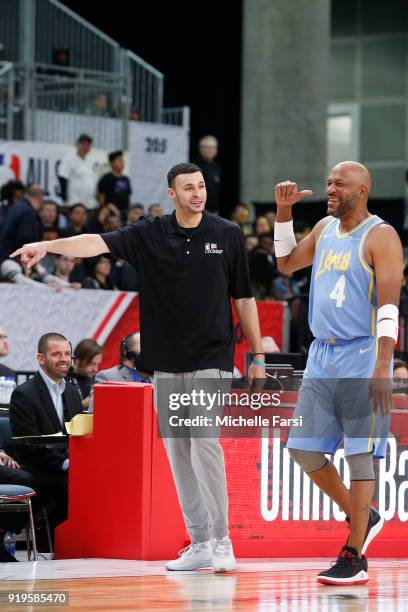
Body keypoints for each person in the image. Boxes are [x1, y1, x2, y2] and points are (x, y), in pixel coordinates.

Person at [11, 161, 266, 574]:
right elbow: (95, 242)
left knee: (203, 440)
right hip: (165, 363)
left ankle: (222, 539)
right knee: (178, 452)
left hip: (212, 358)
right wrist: (49, 246)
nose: (198, 193)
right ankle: (199, 540)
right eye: (189, 188)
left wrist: (257, 354)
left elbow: (244, 297)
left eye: (201, 185)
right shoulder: (150, 233)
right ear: (172, 194)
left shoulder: (227, 233)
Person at [274, 161, 403, 585]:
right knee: (304, 449)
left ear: (361, 191)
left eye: (339, 184)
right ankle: (362, 515)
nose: (330, 188)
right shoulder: (325, 228)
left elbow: (388, 307)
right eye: (328, 181)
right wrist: (283, 214)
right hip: (321, 354)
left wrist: (383, 363)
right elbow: (287, 265)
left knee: (359, 454)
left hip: (363, 353)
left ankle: (354, 553)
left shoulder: (381, 236)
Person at [9, 333, 83, 533]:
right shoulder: (24, 394)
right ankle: (47, 535)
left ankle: (62, 539)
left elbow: (78, 436)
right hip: (36, 466)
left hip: (66, 467)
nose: (64, 359)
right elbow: (29, 445)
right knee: (69, 488)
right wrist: (66, 463)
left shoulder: (72, 393)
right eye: (56, 354)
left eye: (67, 354)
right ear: (41, 358)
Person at [88, 333, 152, 412]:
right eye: (146, 348)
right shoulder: (108, 378)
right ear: (129, 355)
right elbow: (95, 417)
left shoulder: (162, 382)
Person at [0, 184, 43, 264]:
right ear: (40, 198)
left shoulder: (14, 207)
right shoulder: (27, 212)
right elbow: (26, 240)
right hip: (13, 260)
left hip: (4, 256)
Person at [58, 134, 96, 210]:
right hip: (73, 204)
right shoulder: (68, 159)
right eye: (83, 144)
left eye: (88, 144)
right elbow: (62, 178)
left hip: (88, 205)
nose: (86, 147)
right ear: (77, 145)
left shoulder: (89, 161)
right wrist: (65, 199)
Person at [69, 338, 103, 409]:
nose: (96, 369)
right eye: (92, 364)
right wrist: (84, 404)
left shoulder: (97, 380)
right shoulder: (64, 380)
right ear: (78, 360)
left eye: (97, 364)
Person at [193, 135, 221, 214]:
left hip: (214, 211)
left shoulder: (217, 167)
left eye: (213, 147)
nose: (211, 150)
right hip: (198, 209)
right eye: (208, 147)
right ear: (201, 149)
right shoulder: (194, 167)